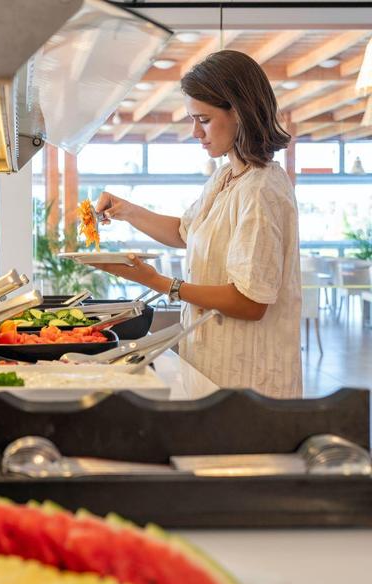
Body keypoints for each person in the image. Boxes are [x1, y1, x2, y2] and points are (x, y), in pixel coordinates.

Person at [94, 50, 302, 398]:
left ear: (239, 111)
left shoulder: (262, 189)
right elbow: (184, 232)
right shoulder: (227, 176)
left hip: (248, 382)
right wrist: (125, 210)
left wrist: (159, 283)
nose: (195, 132)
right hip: (213, 367)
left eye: (203, 119)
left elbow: (251, 302)